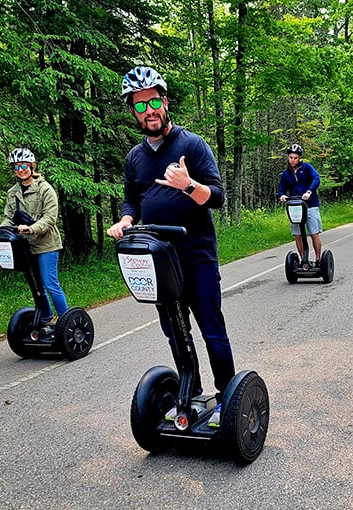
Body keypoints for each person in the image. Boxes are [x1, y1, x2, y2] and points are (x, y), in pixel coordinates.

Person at [107, 66, 235, 428]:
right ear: (133, 111)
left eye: (153, 101)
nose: (148, 110)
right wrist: (126, 220)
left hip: (196, 254)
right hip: (159, 259)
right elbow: (132, 200)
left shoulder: (191, 145)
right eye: (139, 105)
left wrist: (188, 184)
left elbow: (218, 197)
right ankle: (190, 391)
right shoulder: (134, 158)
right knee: (175, 329)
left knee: (211, 327)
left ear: (164, 101)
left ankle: (227, 396)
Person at [0, 148, 68, 331]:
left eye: (23, 165)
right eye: (16, 167)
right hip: (25, 246)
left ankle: (66, 320)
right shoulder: (12, 192)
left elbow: (50, 218)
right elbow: (9, 217)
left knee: (50, 283)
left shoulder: (44, 189)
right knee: (36, 284)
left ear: (31, 166)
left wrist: (32, 229)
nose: (20, 169)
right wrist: (0, 228)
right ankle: (47, 317)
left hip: (47, 244)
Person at [277, 143, 324, 265]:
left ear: (299, 158)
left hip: (311, 204)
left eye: (295, 158)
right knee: (298, 235)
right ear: (288, 157)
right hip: (295, 206)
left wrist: (309, 191)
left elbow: (316, 178)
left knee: (314, 233)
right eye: (291, 157)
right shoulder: (285, 174)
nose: (293, 160)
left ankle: (319, 259)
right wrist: (282, 196)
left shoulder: (307, 168)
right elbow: (281, 189)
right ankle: (304, 260)